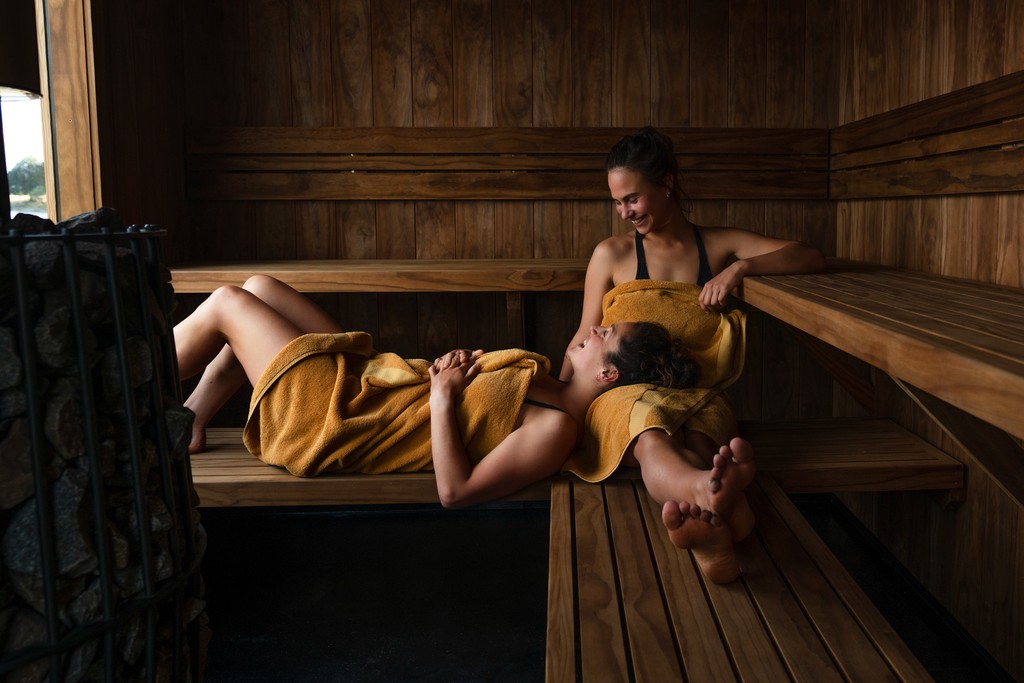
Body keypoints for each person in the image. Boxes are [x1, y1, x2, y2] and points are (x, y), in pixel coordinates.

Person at [174, 274, 698, 509]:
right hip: (377, 387)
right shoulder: (545, 380)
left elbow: (456, 492)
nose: (595, 329)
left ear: (609, 375)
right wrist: (457, 368)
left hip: (341, 422)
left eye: (608, 335)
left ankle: (117, 384)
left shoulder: (556, 429)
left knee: (227, 303)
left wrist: (445, 397)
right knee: (261, 288)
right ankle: (194, 416)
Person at [559, 126, 826, 582]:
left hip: (695, 388)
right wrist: (561, 403)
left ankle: (718, 533)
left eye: (633, 199)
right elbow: (585, 332)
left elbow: (809, 256)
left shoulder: (718, 246)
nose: (624, 212)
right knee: (649, 431)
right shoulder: (612, 254)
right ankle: (706, 492)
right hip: (623, 394)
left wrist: (741, 268)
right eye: (617, 202)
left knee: (703, 436)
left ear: (666, 182)